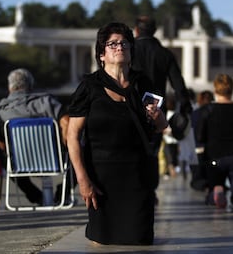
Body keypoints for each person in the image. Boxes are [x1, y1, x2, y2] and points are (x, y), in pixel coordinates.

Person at [66, 22, 167, 245]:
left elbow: (160, 126)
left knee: (139, 240)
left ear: (131, 51)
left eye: (124, 43)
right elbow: (72, 136)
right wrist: (83, 180)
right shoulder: (89, 86)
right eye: (112, 44)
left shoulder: (143, 83)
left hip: (138, 175)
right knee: (102, 242)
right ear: (101, 54)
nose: (119, 47)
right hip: (101, 178)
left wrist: (157, 116)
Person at [0, 68, 70, 205]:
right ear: (31, 85)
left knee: (4, 159)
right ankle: (62, 194)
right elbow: (66, 121)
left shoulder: (1, 110)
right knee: (80, 153)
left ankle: (36, 197)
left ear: (9, 87)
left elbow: (2, 144)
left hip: (21, 164)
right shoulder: (48, 102)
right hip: (54, 160)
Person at [132, 16, 193, 185]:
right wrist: (186, 106)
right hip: (157, 110)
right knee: (152, 151)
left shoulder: (129, 50)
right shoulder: (165, 54)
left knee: (133, 148)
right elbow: (178, 85)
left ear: (136, 30)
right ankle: (150, 188)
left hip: (132, 108)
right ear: (154, 31)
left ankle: (136, 185)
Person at [195, 74, 233, 209]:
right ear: (232, 89)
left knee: (215, 185)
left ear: (215, 90)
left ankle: (216, 191)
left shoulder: (207, 110)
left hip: (214, 157)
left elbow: (199, 136)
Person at [190, 90, 214, 191]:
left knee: (198, 175)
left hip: (197, 147)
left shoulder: (195, 113)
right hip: (211, 148)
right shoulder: (214, 112)